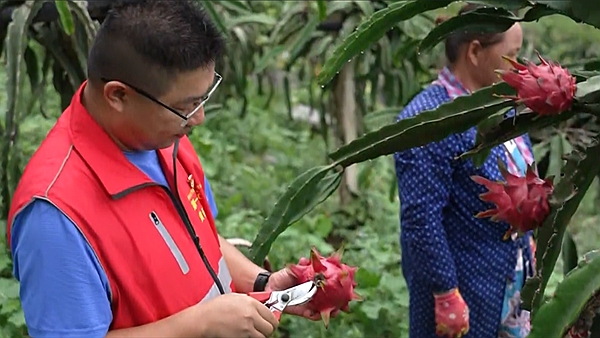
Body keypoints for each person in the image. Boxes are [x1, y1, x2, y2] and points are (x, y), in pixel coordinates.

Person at [7, 1, 328, 337]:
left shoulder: (162, 136)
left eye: (201, 99)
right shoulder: (56, 216)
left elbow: (197, 239)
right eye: (185, 106)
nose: (199, 118)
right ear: (118, 95)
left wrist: (262, 282)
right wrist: (201, 324)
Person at [393, 4, 536, 338]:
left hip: (509, 287)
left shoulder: (500, 105)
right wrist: (445, 293)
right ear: (475, 52)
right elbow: (421, 221)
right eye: (512, 54)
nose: (519, 65)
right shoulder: (428, 121)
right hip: (466, 295)